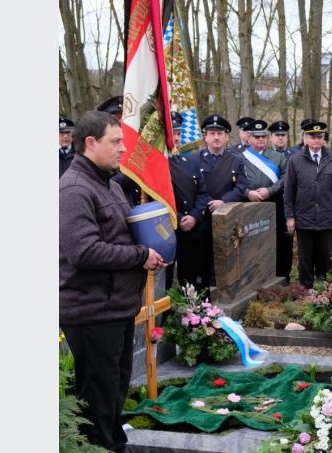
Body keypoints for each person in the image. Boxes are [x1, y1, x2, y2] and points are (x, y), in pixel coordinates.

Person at [60, 110, 167, 452]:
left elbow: (122, 234)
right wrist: (140, 255)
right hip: (92, 312)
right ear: (90, 143)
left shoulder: (110, 183)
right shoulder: (74, 190)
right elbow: (84, 252)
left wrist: (156, 244)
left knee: (115, 391)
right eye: (116, 141)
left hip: (115, 309)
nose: (124, 149)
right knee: (98, 400)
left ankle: (113, 445)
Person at [284, 121, 332, 288]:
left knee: (329, 255)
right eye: (313, 136)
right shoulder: (295, 160)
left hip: (327, 215)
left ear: (324, 138)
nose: (316, 140)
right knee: (305, 255)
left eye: (320, 137)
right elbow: (289, 190)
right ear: (305, 137)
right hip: (304, 216)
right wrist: (289, 216)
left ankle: (328, 286)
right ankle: (306, 287)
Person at [193, 114, 248, 288]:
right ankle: (203, 298)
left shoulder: (236, 160)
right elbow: (192, 189)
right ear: (205, 136)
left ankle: (224, 291)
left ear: (226, 136)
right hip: (204, 217)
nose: (216, 137)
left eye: (220, 133)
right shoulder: (196, 159)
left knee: (226, 258)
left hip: (227, 218)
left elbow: (241, 187)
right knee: (203, 258)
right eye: (212, 133)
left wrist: (223, 202)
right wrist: (210, 203)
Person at [240, 119, 291, 283]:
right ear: (248, 138)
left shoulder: (278, 157)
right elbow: (236, 181)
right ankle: (253, 278)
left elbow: (285, 178)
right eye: (256, 137)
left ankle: (281, 277)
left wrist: (270, 190)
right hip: (249, 206)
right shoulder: (239, 157)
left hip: (275, 205)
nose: (260, 139)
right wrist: (248, 193)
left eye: (263, 136)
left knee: (279, 242)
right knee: (251, 242)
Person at [166, 112, 211, 290]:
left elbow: (202, 192)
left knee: (190, 275)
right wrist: (177, 217)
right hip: (168, 228)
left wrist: (194, 216)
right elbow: (157, 196)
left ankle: (191, 313)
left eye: (178, 133)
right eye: (172, 134)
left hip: (192, 228)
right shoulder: (158, 163)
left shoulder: (190, 161)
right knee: (167, 279)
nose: (176, 138)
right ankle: (166, 316)